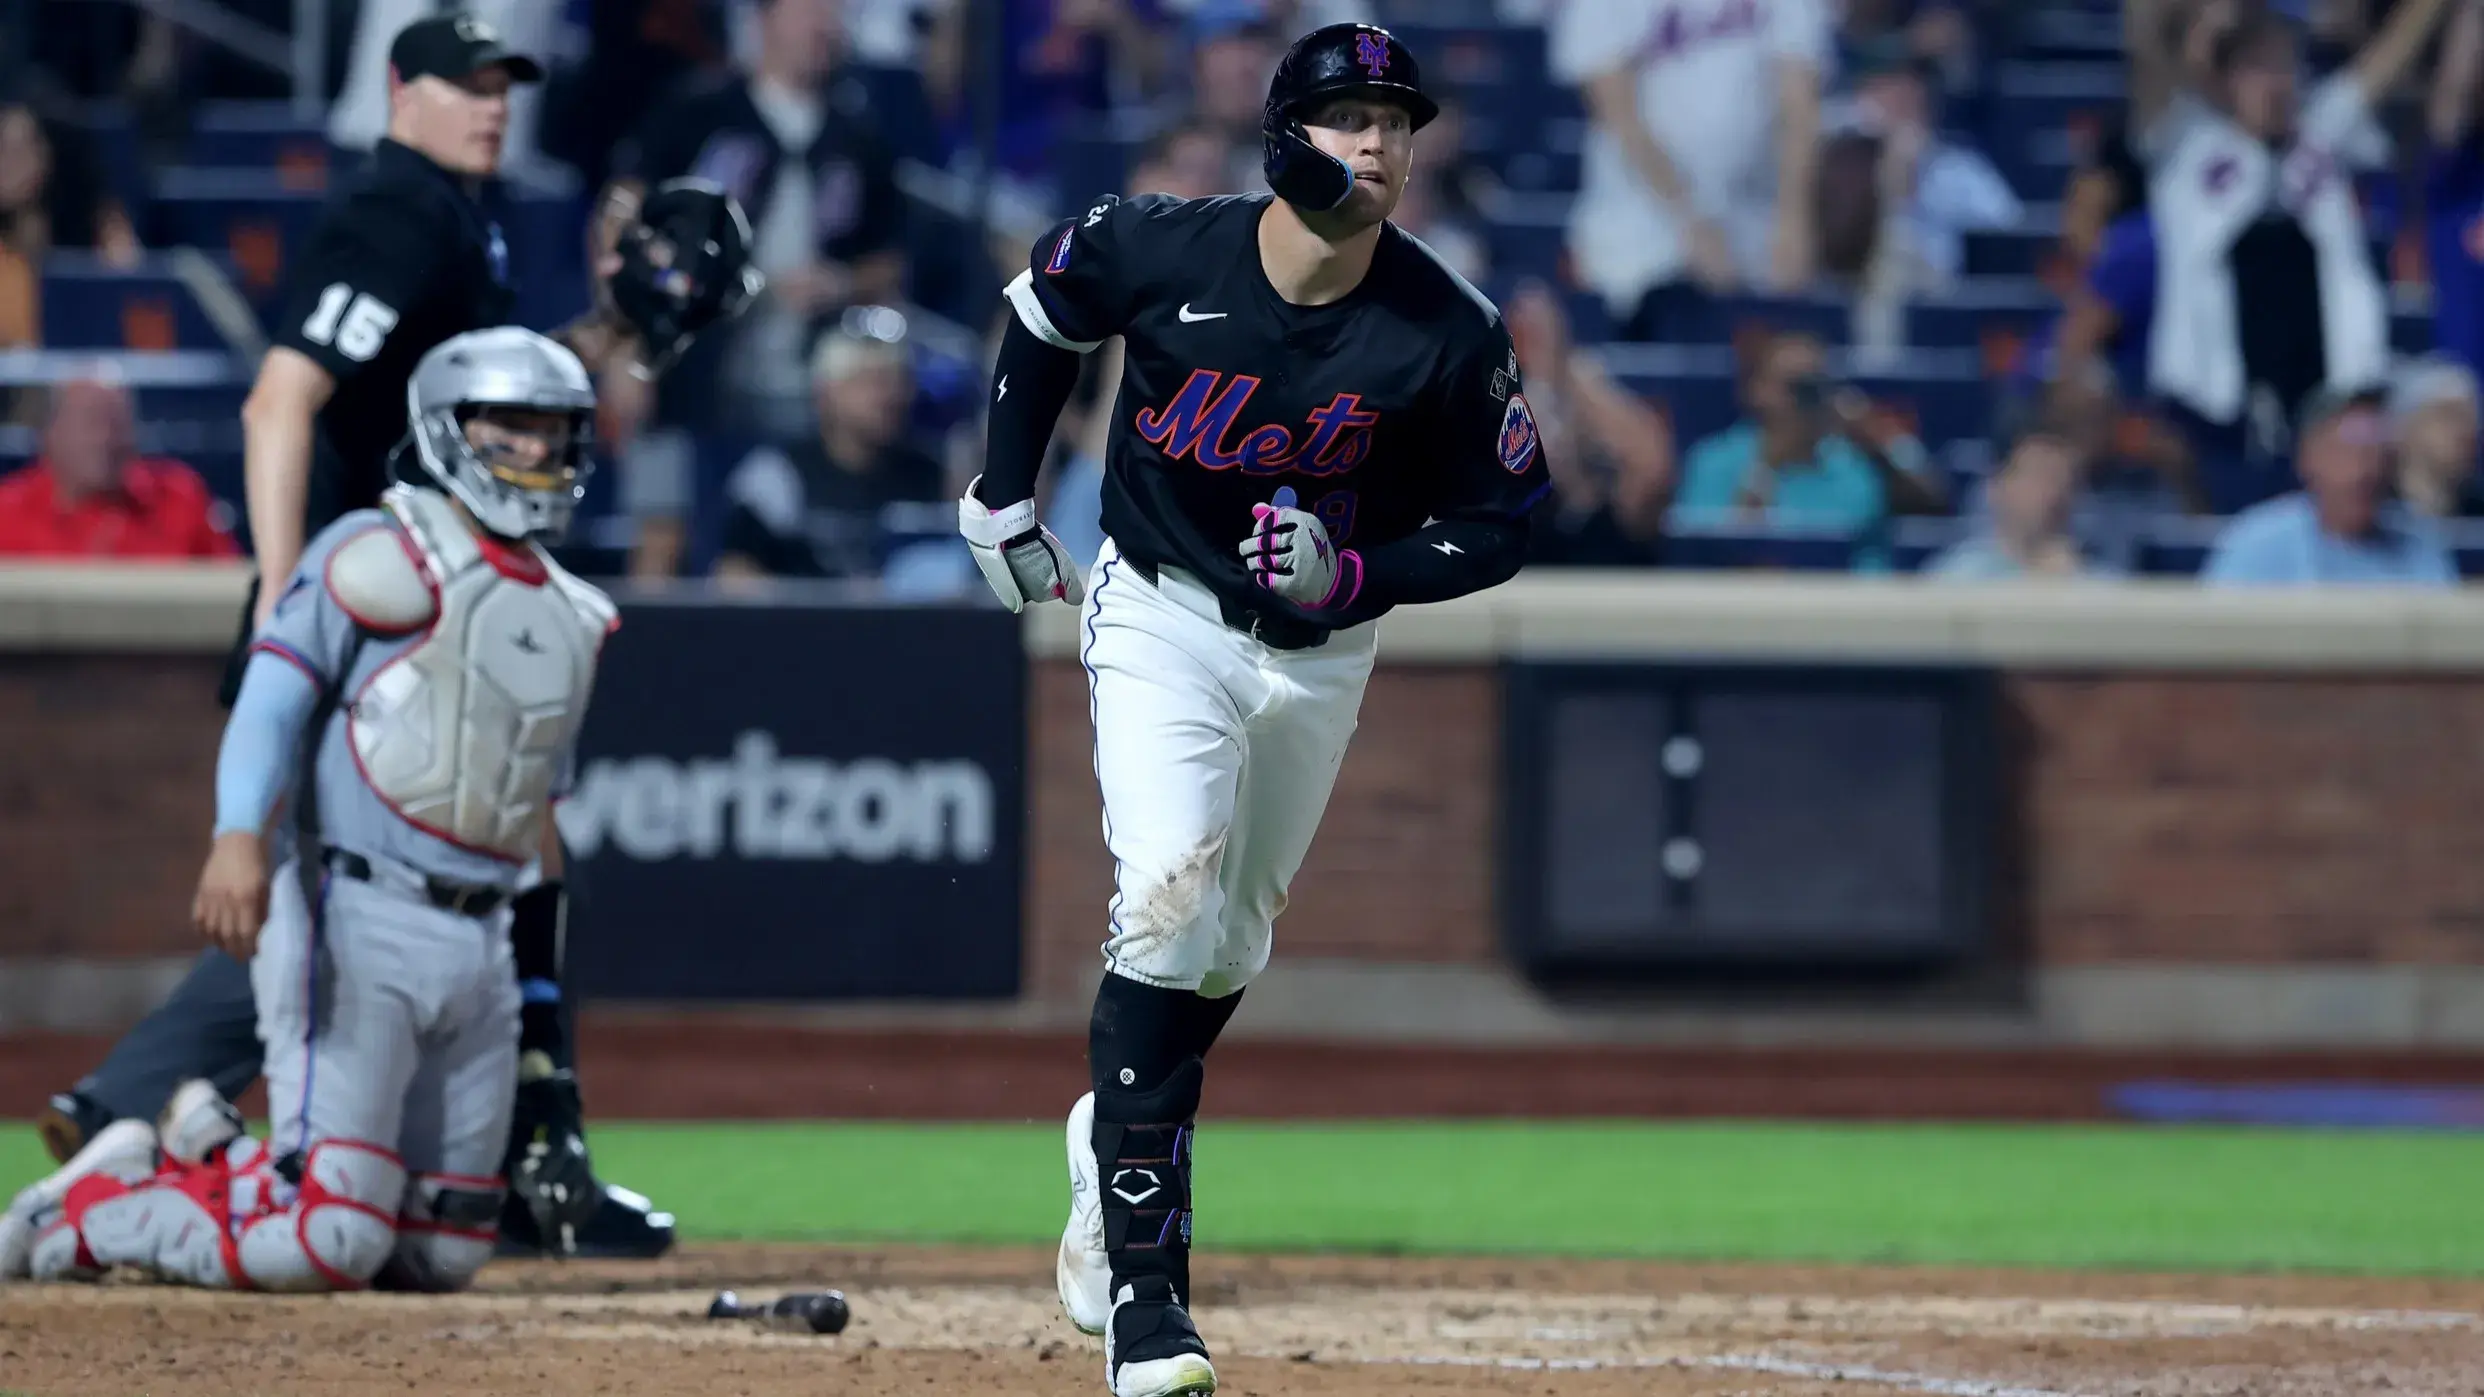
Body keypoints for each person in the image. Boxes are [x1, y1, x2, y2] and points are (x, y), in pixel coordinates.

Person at [36, 12, 759, 1264]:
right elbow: (280, 393)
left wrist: (625, 323)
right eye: (462, 82)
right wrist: (280, 589)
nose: (490, 103)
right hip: (374, 611)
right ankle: (137, 1122)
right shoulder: (399, 211)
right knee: (411, 867)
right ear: (399, 89)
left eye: (501, 83)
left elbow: (481, 404)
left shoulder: (457, 213)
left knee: (478, 843)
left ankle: (501, 1151)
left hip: (424, 604)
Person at [956, 24, 1549, 1397]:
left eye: (1398, 123)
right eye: (1350, 118)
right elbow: (1047, 303)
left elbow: (1504, 520)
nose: (1380, 145)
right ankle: (1149, 1300)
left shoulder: (1442, 327)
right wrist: (1001, 489)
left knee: (1226, 946)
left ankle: (1110, 1129)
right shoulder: (1169, 245)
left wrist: (1361, 571)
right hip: (1160, 610)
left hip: (1318, 654)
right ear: (1287, 138)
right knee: (1168, 895)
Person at [1, 328, 617, 1291]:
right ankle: (100, 1209)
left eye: (553, 430)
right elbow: (270, 699)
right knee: (330, 1238)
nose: (535, 450)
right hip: (356, 910)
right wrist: (238, 837)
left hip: (481, 937)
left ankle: (199, 1151)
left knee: (444, 1248)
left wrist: (539, 1007)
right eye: (511, 426)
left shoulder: (574, 617)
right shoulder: (377, 553)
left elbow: (538, 817)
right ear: (450, 429)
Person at [2144, 0, 2454, 511]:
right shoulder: (2188, 146)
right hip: (2212, 399)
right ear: (2225, 81)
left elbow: (2388, 61)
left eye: (2285, 67)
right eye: (2257, 68)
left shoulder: (2323, 134)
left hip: (2325, 394)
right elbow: (2151, 52)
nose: (2275, 83)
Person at [1551, 0, 1828, 339]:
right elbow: (1619, 114)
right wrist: (1691, 221)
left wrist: (1794, 218)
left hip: (1754, 222)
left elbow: (1799, 105)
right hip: (1639, 228)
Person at [1670, 329, 1943, 569]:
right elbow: (1703, 561)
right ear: (1757, 389)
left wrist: (1875, 431)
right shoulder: (1712, 462)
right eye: (1792, 386)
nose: (1801, 401)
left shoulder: (1853, 469)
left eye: (1812, 386)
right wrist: (1764, 470)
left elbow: (1932, 501)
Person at [716, 306, 949, 581]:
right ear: (825, 395)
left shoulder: (930, 474)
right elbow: (734, 578)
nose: (891, 397)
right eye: (871, 383)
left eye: (899, 381)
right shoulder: (775, 476)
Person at [2202, 385, 2459, 586]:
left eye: (2376, 453)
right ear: (2307, 458)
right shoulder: (2255, 545)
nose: (2365, 472)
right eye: (2349, 453)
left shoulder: (2419, 548)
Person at [0, 376, 237, 559]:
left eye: (117, 424)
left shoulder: (180, 498)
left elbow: (230, 591)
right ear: (49, 434)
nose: (105, 439)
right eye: (91, 422)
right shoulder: (7, 511)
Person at [1925, 428, 2106, 580]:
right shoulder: (1954, 577)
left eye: (2062, 481)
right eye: (2038, 476)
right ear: (1997, 487)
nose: (2054, 493)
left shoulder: (2099, 585)